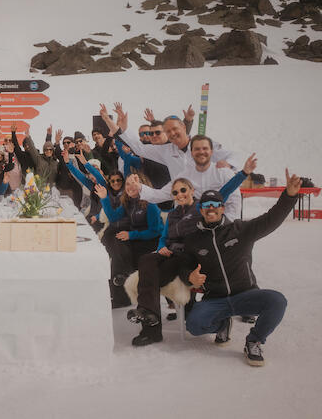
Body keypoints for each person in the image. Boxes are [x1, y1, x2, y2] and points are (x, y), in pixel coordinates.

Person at [127, 153, 256, 346]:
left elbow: (225, 191)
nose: (179, 195)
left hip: (190, 256)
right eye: (175, 192)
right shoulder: (172, 214)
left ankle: (151, 327)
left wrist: (244, 173)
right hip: (171, 255)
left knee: (150, 277)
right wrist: (161, 248)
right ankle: (149, 315)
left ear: (192, 190)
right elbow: (163, 237)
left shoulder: (200, 209)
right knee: (147, 260)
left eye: (183, 190)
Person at [177, 169, 301, 366]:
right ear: (201, 210)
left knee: (277, 301)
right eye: (206, 205)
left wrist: (289, 196)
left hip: (246, 294)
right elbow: (183, 266)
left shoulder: (240, 230)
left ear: (222, 208)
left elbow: (271, 219)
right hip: (215, 298)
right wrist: (189, 276)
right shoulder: (193, 240)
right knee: (194, 325)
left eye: (215, 204)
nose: (211, 208)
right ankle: (222, 324)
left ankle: (254, 340)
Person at [100, 103, 238, 181]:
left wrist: (229, 165)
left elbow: (232, 155)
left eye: (174, 129)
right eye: (168, 131)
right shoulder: (165, 150)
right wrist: (110, 121)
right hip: (180, 202)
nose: (172, 133)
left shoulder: (202, 143)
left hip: (208, 204)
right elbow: (137, 147)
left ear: (183, 127)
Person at [128, 135, 243, 221]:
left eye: (205, 148)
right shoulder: (184, 176)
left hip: (225, 226)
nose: (201, 152)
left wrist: (230, 223)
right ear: (191, 153)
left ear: (211, 151)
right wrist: (140, 188)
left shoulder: (224, 173)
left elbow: (234, 202)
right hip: (197, 227)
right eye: (197, 149)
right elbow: (161, 195)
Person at [95, 177, 164, 308]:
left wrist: (131, 235)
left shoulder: (150, 204)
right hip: (137, 238)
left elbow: (155, 231)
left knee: (119, 254)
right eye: (127, 184)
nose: (130, 187)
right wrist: (104, 198)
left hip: (151, 241)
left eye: (134, 183)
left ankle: (121, 290)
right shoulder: (128, 202)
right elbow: (113, 217)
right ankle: (121, 285)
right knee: (117, 247)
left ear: (142, 185)